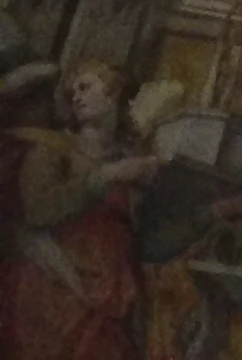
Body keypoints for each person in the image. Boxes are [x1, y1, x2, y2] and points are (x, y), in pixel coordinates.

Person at [0, 61, 156, 360]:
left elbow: (147, 239)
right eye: (72, 92)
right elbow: (37, 211)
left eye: (84, 87)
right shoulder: (51, 147)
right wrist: (103, 177)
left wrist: (214, 213)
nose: (76, 96)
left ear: (113, 93)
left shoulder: (132, 162)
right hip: (55, 283)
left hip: (113, 291)